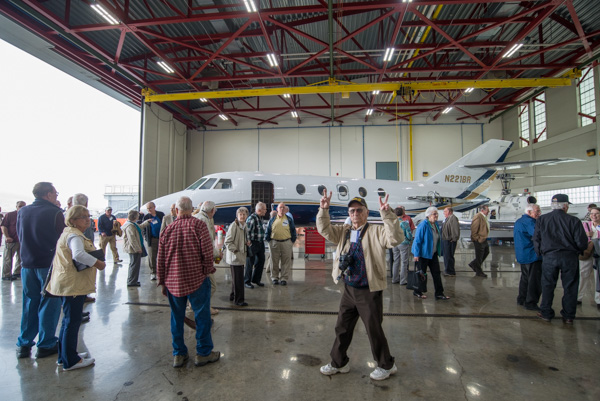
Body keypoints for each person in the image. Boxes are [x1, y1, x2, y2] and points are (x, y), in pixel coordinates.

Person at [317, 193, 403, 381]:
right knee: (342, 327)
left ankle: (386, 365)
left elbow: (395, 238)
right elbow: (324, 229)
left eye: (359, 210)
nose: (355, 213)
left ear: (366, 212)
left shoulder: (376, 231)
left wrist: (387, 214)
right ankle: (339, 362)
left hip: (368, 290)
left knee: (373, 329)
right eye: (352, 211)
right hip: (349, 289)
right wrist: (324, 209)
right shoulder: (344, 231)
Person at [157, 196, 220, 368]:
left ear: (177, 210)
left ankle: (179, 355)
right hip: (197, 280)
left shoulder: (168, 230)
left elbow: (160, 259)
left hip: (173, 282)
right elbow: (207, 253)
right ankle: (203, 353)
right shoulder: (199, 226)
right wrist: (207, 271)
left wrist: (163, 282)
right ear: (192, 209)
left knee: (176, 319)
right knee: (202, 317)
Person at [45, 206, 106, 370]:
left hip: (69, 283)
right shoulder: (74, 236)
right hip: (72, 285)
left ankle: (64, 355)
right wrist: (98, 263)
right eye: (82, 217)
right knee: (72, 321)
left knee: (68, 321)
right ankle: (71, 361)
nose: (87, 219)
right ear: (73, 220)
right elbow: (78, 254)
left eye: (88, 216)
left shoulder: (70, 233)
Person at [15, 182, 65, 359]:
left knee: (30, 303)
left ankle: (24, 343)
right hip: (48, 264)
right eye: (55, 193)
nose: (57, 196)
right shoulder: (55, 213)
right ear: (48, 194)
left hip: (27, 264)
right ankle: (46, 343)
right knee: (50, 303)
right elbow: (63, 239)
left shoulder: (23, 211)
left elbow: (20, 236)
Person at [534, 194, 588, 324]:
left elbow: (536, 239)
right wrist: (579, 251)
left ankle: (546, 313)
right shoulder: (574, 221)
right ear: (565, 206)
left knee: (547, 285)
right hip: (569, 258)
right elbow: (581, 242)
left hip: (549, 257)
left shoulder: (542, 219)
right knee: (570, 286)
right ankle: (568, 316)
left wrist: (541, 253)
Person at [412, 207, 450, 300]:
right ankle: (417, 291)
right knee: (421, 274)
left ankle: (439, 293)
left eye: (437, 213)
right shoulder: (423, 225)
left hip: (432, 254)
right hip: (423, 255)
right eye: (434, 214)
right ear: (428, 215)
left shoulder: (435, 224)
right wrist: (416, 254)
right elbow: (417, 240)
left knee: (436, 273)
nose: (436, 215)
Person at [514, 204, 543, 310]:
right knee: (534, 280)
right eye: (537, 211)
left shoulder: (519, 221)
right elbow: (538, 235)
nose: (539, 213)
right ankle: (531, 303)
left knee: (525, 278)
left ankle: (522, 299)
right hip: (532, 255)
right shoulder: (530, 222)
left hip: (523, 254)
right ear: (529, 212)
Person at [195, 201, 221, 315]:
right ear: (212, 211)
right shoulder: (204, 220)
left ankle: (200, 306)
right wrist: (217, 254)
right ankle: (200, 308)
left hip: (197, 259)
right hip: (203, 260)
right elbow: (207, 243)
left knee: (202, 286)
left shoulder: (199, 217)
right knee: (211, 286)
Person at [265, 202, 297, 286]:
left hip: (286, 243)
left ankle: (284, 278)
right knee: (274, 261)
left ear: (285, 209)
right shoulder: (272, 219)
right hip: (274, 243)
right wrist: (269, 241)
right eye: (280, 207)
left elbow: (293, 231)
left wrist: (291, 242)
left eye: (283, 207)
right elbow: (268, 231)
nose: (282, 209)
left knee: (286, 261)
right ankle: (274, 277)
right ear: (277, 209)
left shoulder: (289, 220)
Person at [225, 207, 250, 306]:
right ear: (237, 215)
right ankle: (239, 300)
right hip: (235, 257)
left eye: (244, 215)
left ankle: (233, 295)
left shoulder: (244, 225)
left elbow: (241, 239)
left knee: (236, 278)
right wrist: (235, 250)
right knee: (238, 279)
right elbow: (228, 241)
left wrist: (246, 243)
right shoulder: (234, 226)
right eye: (240, 214)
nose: (242, 216)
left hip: (240, 256)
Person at [122, 210, 149, 287]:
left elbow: (139, 227)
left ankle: (133, 280)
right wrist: (137, 248)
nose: (138, 216)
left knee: (135, 264)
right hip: (133, 249)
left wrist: (147, 222)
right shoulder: (130, 226)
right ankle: (131, 281)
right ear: (135, 216)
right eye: (137, 215)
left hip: (135, 248)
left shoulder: (133, 224)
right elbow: (132, 239)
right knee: (134, 265)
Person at [580, 207, 600, 309]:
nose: (594, 216)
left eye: (597, 213)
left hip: (598, 254)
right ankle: (578, 297)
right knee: (583, 273)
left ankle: (599, 299)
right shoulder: (585, 225)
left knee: (598, 276)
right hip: (586, 253)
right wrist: (586, 235)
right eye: (592, 213)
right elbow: (577, 237)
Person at [245, 202, 267, 288]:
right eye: (264, 209)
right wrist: (248, 241)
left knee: (261, 261)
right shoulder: (252, 218)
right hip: (253, 243)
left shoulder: (259, 218)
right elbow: (247, 231)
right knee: (250, 262)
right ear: (259, 210)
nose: (266, 211)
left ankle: (256, 279)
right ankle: (247, 281)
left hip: (260, 243)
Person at [1, 201, 26, 281]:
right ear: (16, 206)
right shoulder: (10, 215)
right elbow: (3, 226)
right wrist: (7, 236)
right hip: (11, 240)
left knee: (20, 258)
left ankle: (17, 272)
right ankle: (6, 274)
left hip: (21, 240)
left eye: (23, 206)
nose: (21, 207)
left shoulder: (25, 215)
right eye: (20, 206)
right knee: (8, 258)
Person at [142, 202, 165, 281]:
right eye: (148, 208)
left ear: (154, 207)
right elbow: (144, 228)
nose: (149, 210)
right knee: (152, 257)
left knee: (162, 256)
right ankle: (153, 272)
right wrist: (146, 237)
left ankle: (162, 272)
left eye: (150, 208)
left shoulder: (161, 215)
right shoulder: (146, 217)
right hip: (152, 239)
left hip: (162, 239)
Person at [391, 207, 412, 285]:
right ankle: (403, 280)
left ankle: (394, 279)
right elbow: (409, 234)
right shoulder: (404, 223)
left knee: (396, 261)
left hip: (394, 243)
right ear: (403, 214)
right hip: (403, 243)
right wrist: (409, 240)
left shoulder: (392, 223)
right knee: (404, 262)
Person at [469, 205, 490, 278]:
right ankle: (479, 271)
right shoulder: (478, 216)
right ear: (483, 210)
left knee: (486, 252)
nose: (489, 212)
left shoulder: (483, 216)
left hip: (484, 239)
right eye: (487, 210)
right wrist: (476, 238)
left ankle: (473, 264)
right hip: (479, 239)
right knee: (479, 256)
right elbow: (474, 228)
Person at [441, 207, 460, 277]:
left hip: (450, 241)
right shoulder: (448, 218)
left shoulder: (453, 218)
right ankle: (447, 270)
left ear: (449, 211)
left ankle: (450, 271)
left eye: (445, 211)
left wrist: (454, 238)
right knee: (446, 255)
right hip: (446, 240)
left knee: (449, 256)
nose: (444, 213)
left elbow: (455, 229)